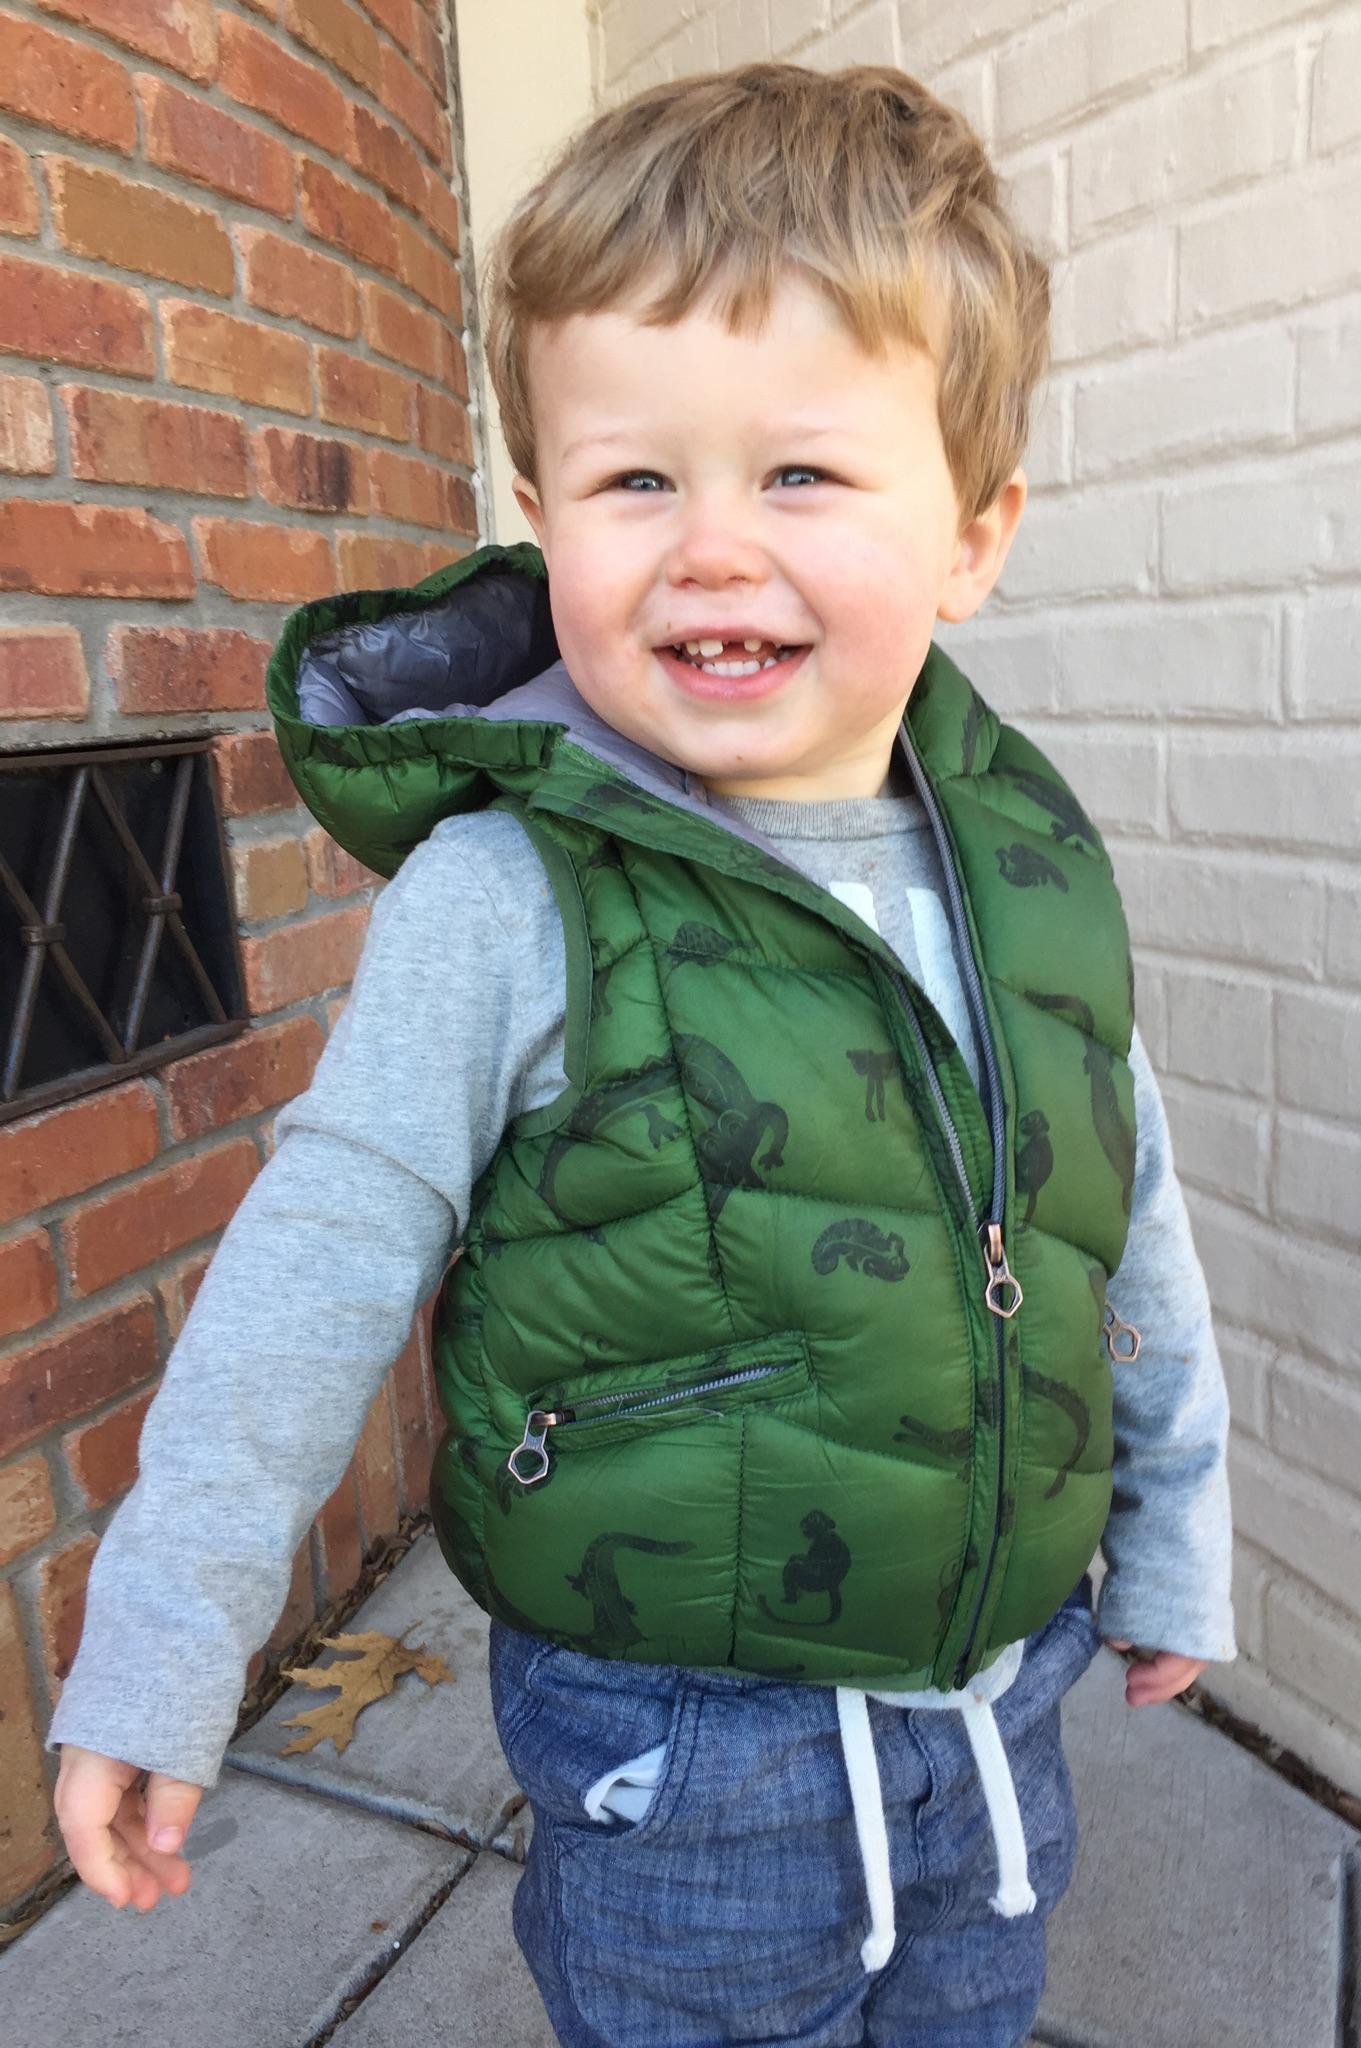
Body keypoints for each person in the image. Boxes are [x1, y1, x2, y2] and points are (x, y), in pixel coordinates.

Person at [49, 61, 1235, 2046]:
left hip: (993, 1703)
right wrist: (169, 1637)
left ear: (973, 531)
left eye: (801, 474)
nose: (710, 548)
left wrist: (1174, 1531)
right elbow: (324, 1249)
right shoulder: (509, 891)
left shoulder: (1028, 877)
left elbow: (1127, 1219)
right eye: (634, 481)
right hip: (683, 1754)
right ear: (539, 519)